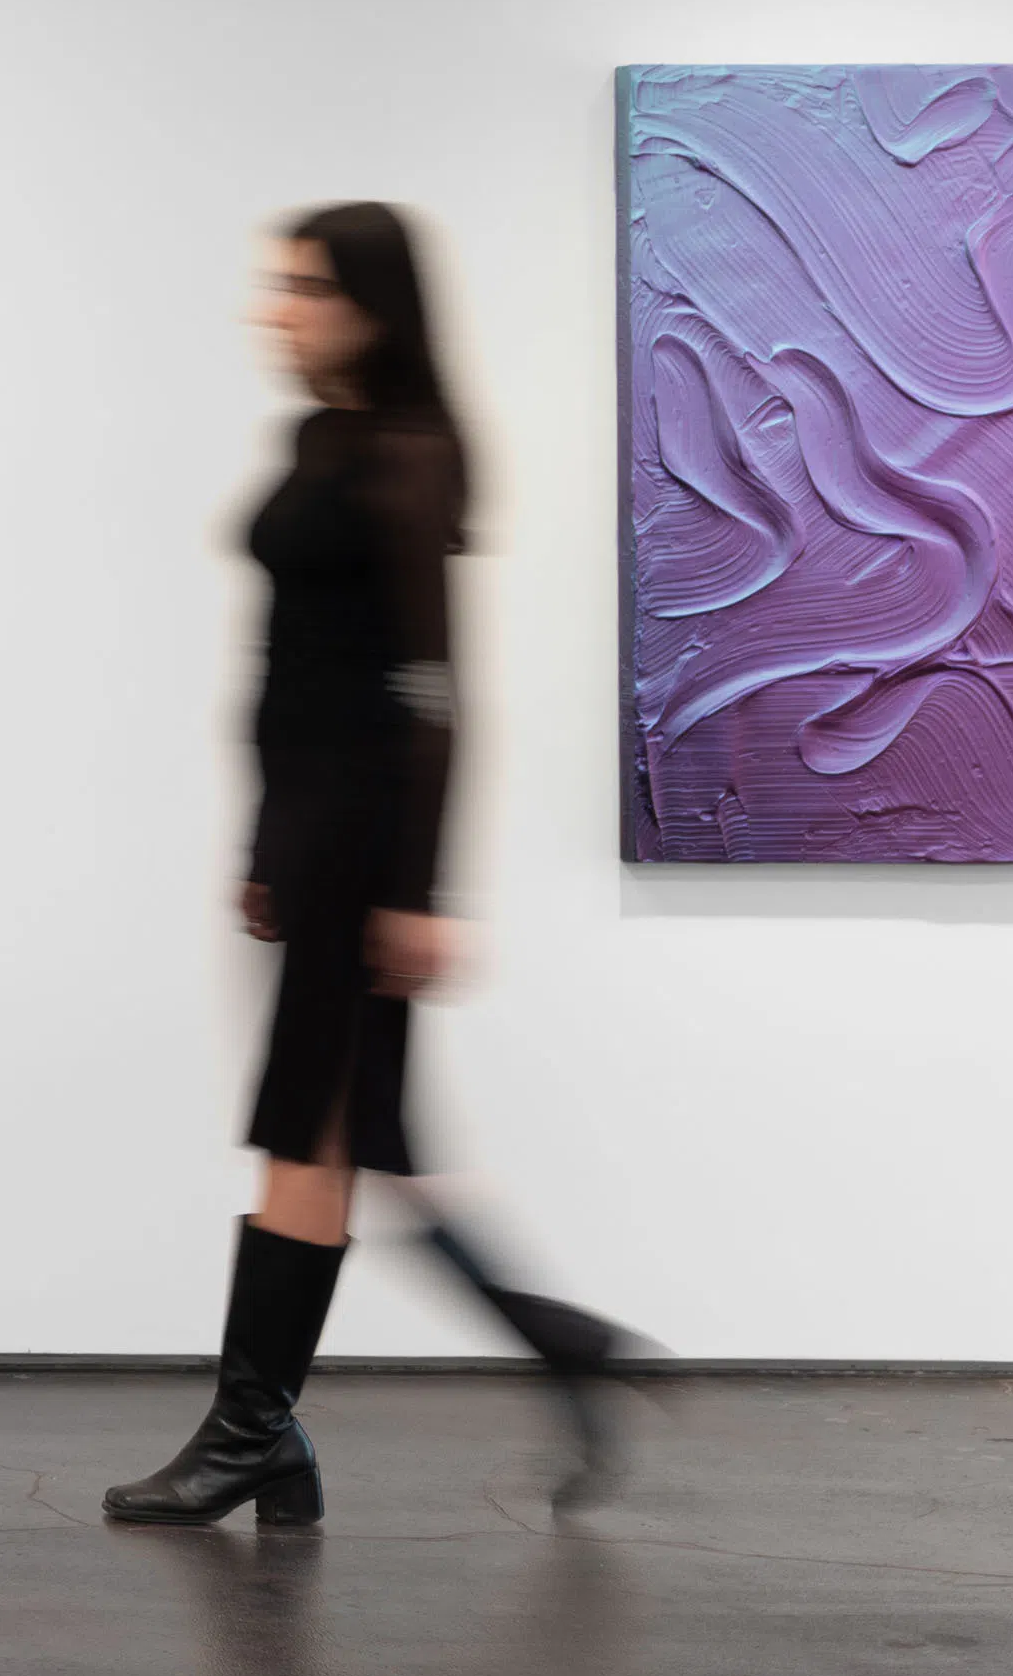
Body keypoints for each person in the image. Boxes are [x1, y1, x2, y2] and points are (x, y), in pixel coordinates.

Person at [105, 200, 651, 1533]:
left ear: (374, 303)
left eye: (304, 284)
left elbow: (431, 686)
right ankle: (558, 1352)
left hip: (361, 838)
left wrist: (420, 888)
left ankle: (249, 1433)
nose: (274, 306)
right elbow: (284, 661)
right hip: (305, 824)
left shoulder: (407, 456)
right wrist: (257, 841)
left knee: (314, 1132)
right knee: (374, 1142)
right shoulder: (321, 437)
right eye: (277, 281)